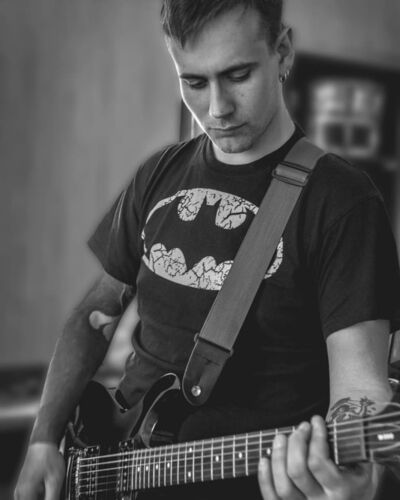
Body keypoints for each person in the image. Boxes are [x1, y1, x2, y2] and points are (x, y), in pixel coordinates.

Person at [14, 1, 400, 499]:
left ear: (282, 51)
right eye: (194, 81)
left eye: (238, 75)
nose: (217, 108)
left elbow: (360, 393)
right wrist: (44, 437)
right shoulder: (158, 174)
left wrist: (361, 481)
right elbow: (95, 315)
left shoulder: (342, 201)